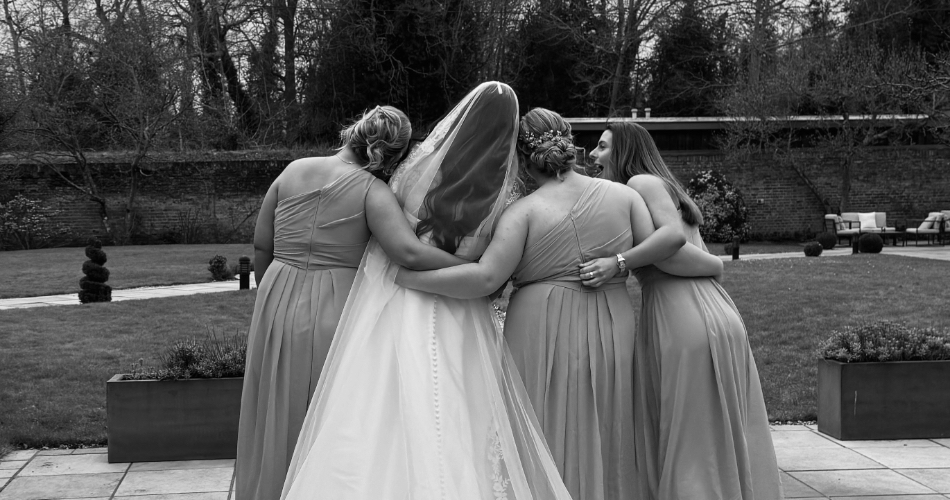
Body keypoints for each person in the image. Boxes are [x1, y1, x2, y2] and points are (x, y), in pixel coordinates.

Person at [396, 108, 724, 500]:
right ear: (569, 145)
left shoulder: (522, 212)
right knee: (607, 420)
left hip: (538, 324)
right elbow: (668, 244)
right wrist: (625, 262)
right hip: (611, 321)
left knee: (538, 423)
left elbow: (485, 279)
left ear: (522, 158)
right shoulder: (625, 197)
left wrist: (411, 278)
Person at [279, 82, 576, 500]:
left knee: (376, 403)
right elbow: (492, 270)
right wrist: (473, 269)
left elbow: (390, 238)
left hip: (398, 297)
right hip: (461, 307)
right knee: (457, 407)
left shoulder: (417, 166)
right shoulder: (505, 193)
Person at [235, 106, 468, 500]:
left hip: (275, 294)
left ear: (355, 131)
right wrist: (468, 265)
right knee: (326, 411)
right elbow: (408, 253)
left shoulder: (293, 170)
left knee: (273, 401)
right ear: (393, 153)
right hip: (335, 304)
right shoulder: (371, 191)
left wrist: (268, 294)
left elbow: (262, 244)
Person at [589, 121, 783, 499]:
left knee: (691, 441)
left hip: (684, 313)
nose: (594, 155)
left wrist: (619, 262)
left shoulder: (641, 182)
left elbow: (673, 247)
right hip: (699, 308)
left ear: (625, 152)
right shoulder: (643, 191)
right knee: (706, 433)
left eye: (602, 146)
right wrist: (712, 265)